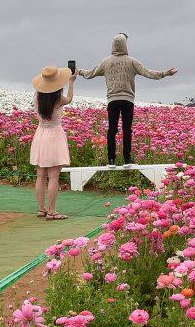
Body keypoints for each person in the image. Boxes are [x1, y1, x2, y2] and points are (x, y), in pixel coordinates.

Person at [78, 33, 178, 167]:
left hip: (112, 100)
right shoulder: (131, 61)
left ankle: (111, 160)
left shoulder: (106, 62)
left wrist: (78, 71)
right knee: (127, 129)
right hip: (127, 100)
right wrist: (165, 73)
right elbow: (148, 73)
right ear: (125, 45)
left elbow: (90, 73)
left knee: (112, 130)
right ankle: (127, 159)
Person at [30, 65, 78, 220]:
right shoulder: (58, 99)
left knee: (40, 175)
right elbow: (69, 99)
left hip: (40, 134)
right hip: (54, 135)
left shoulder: (36, 97)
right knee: (54, 176)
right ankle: (52, 211)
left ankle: (41, 208)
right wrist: (71, 82)